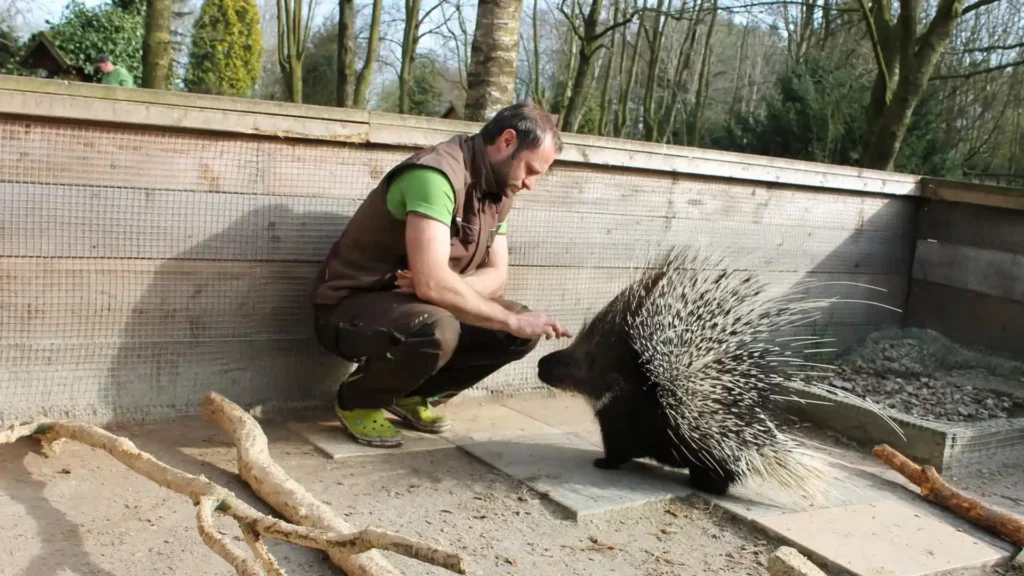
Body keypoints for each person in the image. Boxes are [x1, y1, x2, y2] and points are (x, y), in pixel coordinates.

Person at [312, 101, 572, 448]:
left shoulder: (499, 191)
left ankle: (411, 395)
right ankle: (357, 400)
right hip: (350, 309)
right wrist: (434, 286)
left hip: (419, 306)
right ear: (507, 141)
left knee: (520, 330)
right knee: (441, 328)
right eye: (531, 170)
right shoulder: (435, 176)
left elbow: (496, 276)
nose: (531, 184)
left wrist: (440, 287)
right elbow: (434, 282)